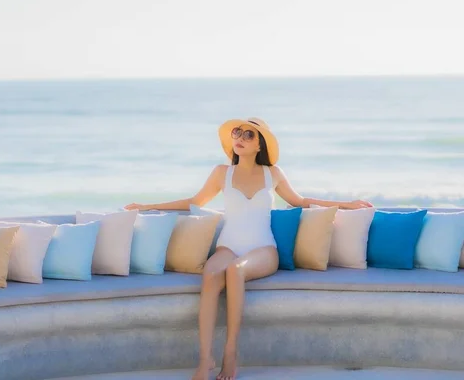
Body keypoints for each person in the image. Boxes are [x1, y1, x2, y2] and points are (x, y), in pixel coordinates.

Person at [124, 117, 373, 380]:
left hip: (263, 249)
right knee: (210, 275)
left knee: (235, 271)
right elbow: (194, 201)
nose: (240, 138)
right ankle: (205, 358)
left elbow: (300, 201)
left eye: (248, 135)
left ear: (259, 145)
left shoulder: (273, 174)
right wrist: (145, 205)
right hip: (228, 246)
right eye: (237, 133)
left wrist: (347, 205)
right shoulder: (222, 173)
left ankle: (230, 353)